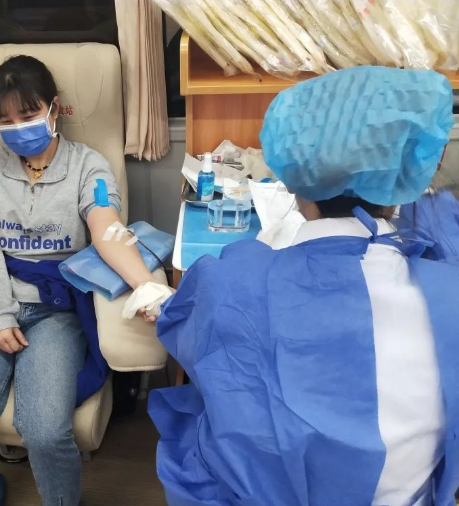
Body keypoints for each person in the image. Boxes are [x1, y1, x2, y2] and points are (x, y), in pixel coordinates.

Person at [149, 66, 459, 506]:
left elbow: (181, 322)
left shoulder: (232, 281)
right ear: (402, 180)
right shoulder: (447, 292)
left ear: (295, 179)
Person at [0, 55, 158, 506]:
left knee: (46, 431)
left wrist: (145, 285)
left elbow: (107, 227)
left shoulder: (88, 166)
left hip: (56, 310)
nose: (18, 128)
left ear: (54, 109)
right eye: (6, 120)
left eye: (29, 114)